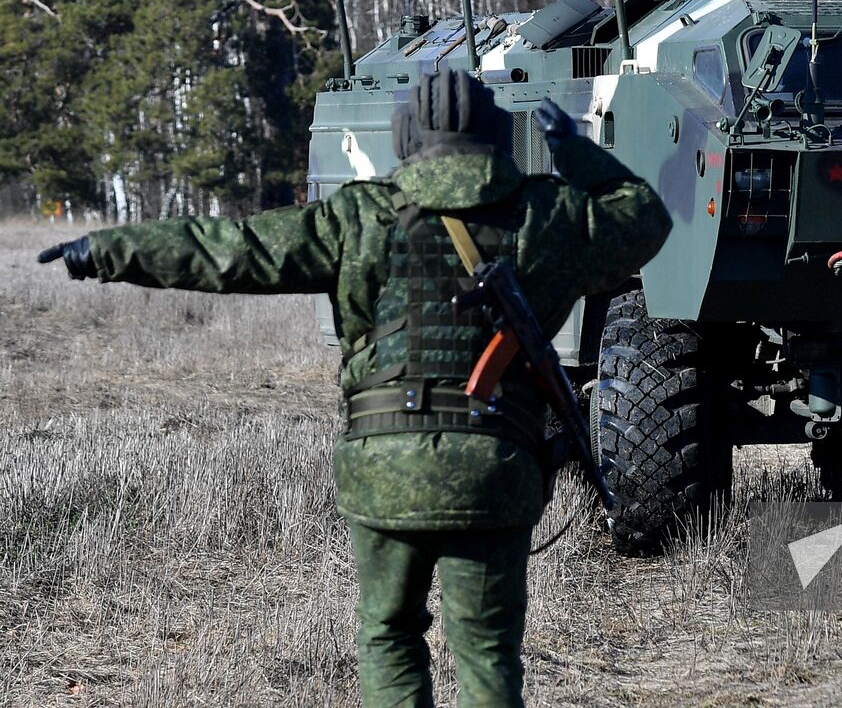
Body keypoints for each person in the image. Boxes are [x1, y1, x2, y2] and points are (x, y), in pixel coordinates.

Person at [38, 71, 673, 708]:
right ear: (498, 139)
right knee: (486, 649)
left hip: (382, 465)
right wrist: (573, 149)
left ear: (404, 139)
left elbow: (231, 250)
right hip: (493, 464)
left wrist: (104, 249)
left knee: (389, 634)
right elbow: (645, 217)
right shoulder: (548, 213)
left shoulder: (359, 216)